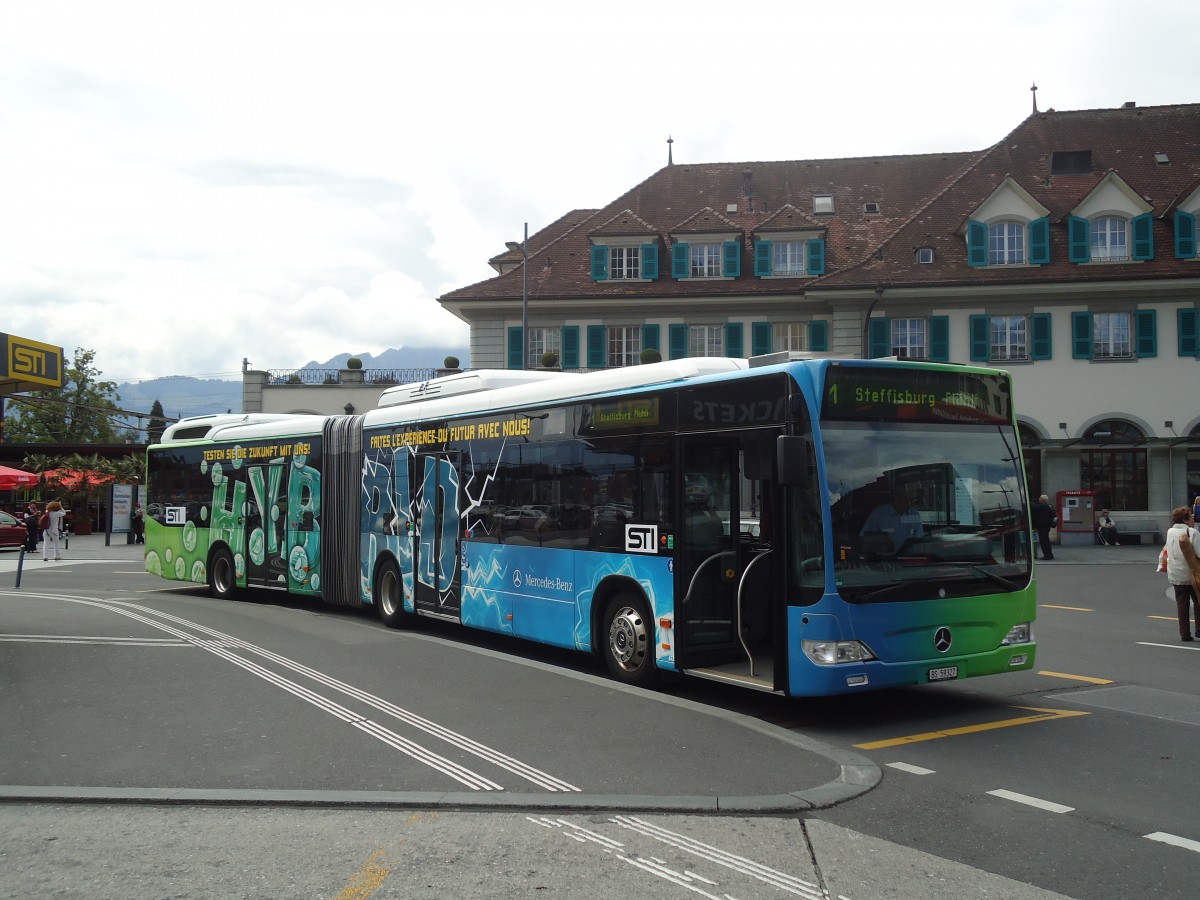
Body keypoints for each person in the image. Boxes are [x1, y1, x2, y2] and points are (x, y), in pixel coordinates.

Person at [1162, 507, 1200, 641]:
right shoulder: (1192, 532)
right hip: (1192, 573)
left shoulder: (1170, 531)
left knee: (1182, 604)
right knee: (1198, 600)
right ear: (1185, 519)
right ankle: (1199, 629)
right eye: (1191, 517)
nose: (1193, 520)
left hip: (1175, 573)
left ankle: (1184, 633)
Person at [860, 482, 925, 553]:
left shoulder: (915, 515)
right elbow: (864, 541)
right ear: (896, 497)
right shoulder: (878, 515)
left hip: (909, 558)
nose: (910, 504)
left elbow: (920, 542)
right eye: (907, 500)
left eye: (913, 500)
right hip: (884, 558)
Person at [1031, 494, 1056, 560]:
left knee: (1043, 541)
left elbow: (1040, 518)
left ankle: (1047, 555)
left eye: (1040, 498)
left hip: (1043, 527)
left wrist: (1036, 526)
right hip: (1046, 526)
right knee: (1046, 540)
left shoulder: (1042, 506)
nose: (1039, 499)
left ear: (1043, 500)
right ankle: (1049, 555)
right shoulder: (1047, 506)